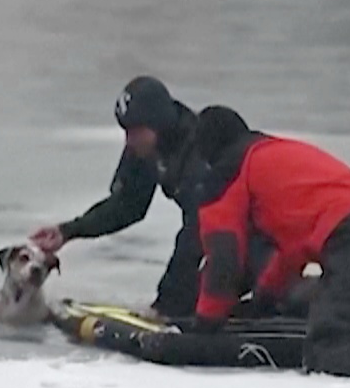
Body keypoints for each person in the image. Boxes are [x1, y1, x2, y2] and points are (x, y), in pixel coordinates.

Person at [185, 106, 350, 383]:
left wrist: (205, 324)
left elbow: (224, 260)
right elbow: (290, 252)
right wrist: (265, 299)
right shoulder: (274, 152)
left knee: (326, 350)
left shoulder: (226, 174)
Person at [30, 76, 269, 320]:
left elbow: (196, 233)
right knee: (195, 301)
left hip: (265, 227)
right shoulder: (146, 147)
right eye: (125, 131)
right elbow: (127, 205)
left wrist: (167, 305)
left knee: (201, 301)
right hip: (228, 232)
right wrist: (67, 231)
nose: (128, 141)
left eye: (134, 132)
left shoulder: (197, 154)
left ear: (159, 125)